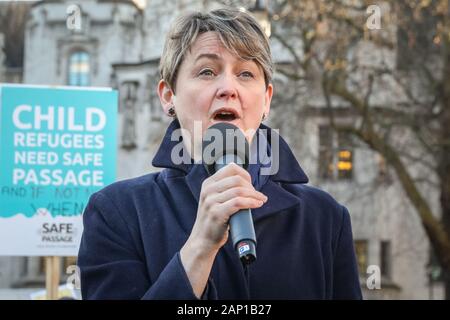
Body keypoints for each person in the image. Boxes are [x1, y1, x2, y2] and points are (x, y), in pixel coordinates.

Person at [77, 8, 362, 300]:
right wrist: (200, 247)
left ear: (266, 99)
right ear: (168, 96)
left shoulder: (324, 219)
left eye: (246, 73)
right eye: (207, 72)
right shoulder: (117, 213)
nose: (228, 88)